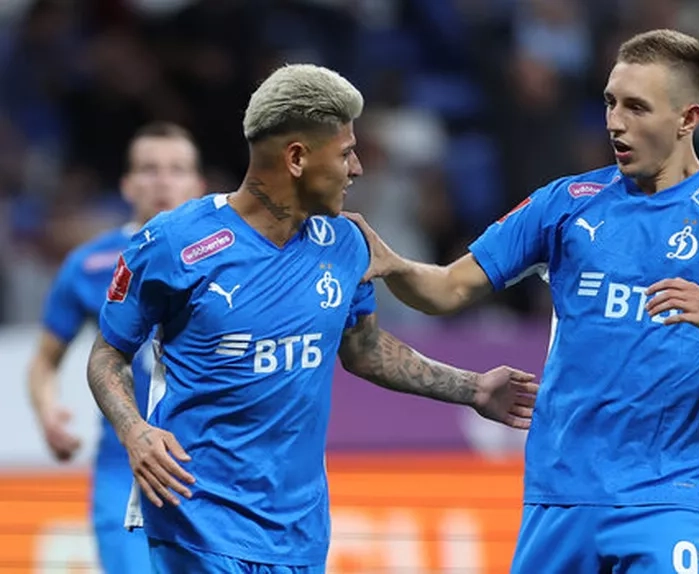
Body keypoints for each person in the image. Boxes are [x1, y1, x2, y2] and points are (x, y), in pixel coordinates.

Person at [344, 30, 699, 573]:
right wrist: (395, 265)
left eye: (636, 107)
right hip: (558, 498)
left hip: (668, 501)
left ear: (688, 118)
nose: (615, 123)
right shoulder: (566, 203)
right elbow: (447, 289)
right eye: (610, 102)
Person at [85, 63, 538, 574]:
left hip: (298, 533)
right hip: (196, 521)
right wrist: (134, 431)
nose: (357, 168)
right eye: (345, 153)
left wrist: (473, 389)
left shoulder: (346, 243)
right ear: (297, 158)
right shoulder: (173, 242)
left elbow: (366, 351)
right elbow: (107, 354)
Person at [29, 122, 205, 573]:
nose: (162, 181)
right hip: (123, 466)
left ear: (198, 185)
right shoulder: (91, 264)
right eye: (149, 169)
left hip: (210, 462)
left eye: (176, 169)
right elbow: (45, 361)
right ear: (127, 184)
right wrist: (48, 412)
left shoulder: (231, 257)